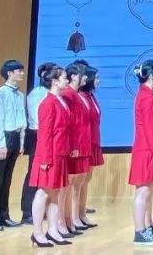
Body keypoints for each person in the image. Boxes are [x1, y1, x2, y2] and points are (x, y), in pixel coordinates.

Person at [29, 63, 73, 247]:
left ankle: (53, 230)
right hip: (49, 154)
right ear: (54, 81)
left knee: (55, 193)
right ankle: (37, 232)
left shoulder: (60, 100)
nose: (67, 80)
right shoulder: (47, 103)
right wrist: (45, 158)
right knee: (43, 192)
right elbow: (45, 134)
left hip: (60, 153)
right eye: (64, 78)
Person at [0, 58, 27, 231]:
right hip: (3, 138)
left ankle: (4, 215)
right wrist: (1, 144)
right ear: (10, 73)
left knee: (7, 180)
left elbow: (22, 119)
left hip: (15, 137)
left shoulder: (20, 95)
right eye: (19, 71)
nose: (22, 73)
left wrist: (22, 141)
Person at [128, 60, 153, 246]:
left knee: (147, 191)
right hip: (146, 149)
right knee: (143, 192)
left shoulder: (147, 95)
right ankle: (139, 231)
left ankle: (144, 228)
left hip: (148, 148)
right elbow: (151, 128)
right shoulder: (148, 98)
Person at [60, 62, 92, 233]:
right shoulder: (68, 94)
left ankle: (72, 218)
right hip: (74, 145)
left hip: (82, 143)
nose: (86, 78)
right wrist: (73, 145)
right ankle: (63, 220)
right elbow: (70, 123)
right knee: (68, 184)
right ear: (73, 76)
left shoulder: (78, 94)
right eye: (82, 74)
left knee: (78, 181)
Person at [21, 62, 55, 225]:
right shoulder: (37, 94)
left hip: (48, 136)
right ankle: (27, 211)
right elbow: (37, 120)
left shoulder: (51, 94)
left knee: (45, 174)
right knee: (34, 174)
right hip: (38, 136)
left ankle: (43, 209)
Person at [80, 65, 104, 228]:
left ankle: (81, 213)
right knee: (79, 181)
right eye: (96, 78)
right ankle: (75, 215)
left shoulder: (90, 96)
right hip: (85, 141)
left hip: (94, 140)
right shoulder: (81, 96)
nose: (98, 81)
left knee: (86, 179)